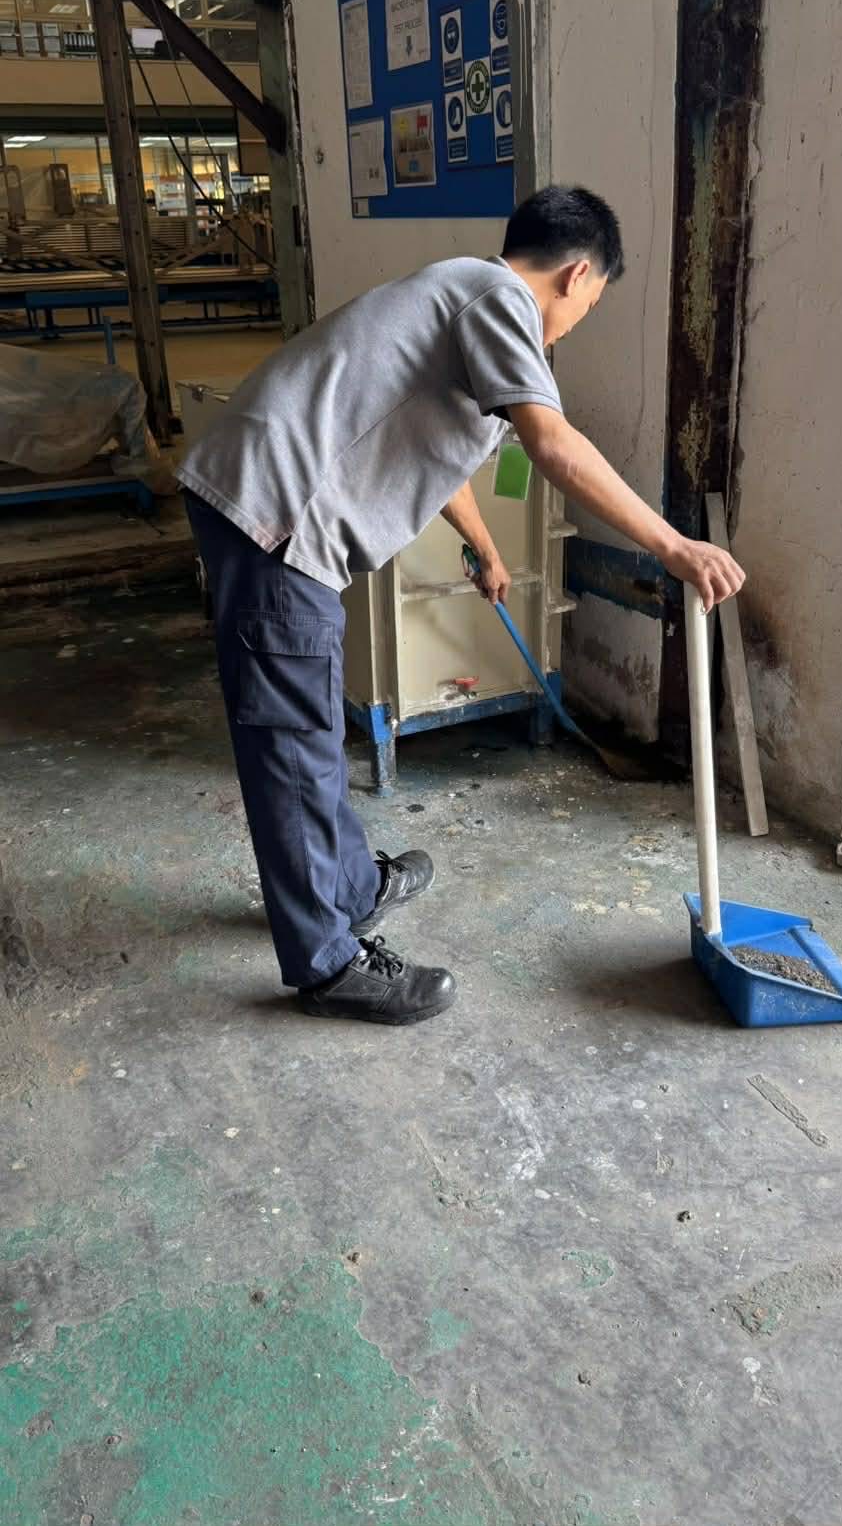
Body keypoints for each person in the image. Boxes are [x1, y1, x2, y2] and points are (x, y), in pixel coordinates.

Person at [177, 185, 745, 1027]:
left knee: (308, 730)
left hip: (267, 502)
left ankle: (350, 887)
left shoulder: (462, 295)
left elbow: (439, 452)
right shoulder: (501, 299)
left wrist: (483, 544)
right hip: (275, 517)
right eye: (591, 303)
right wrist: (675, 546)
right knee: (291, 745)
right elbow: (552, 443)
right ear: (577, 274)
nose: (576, 322)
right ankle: (327, 965)